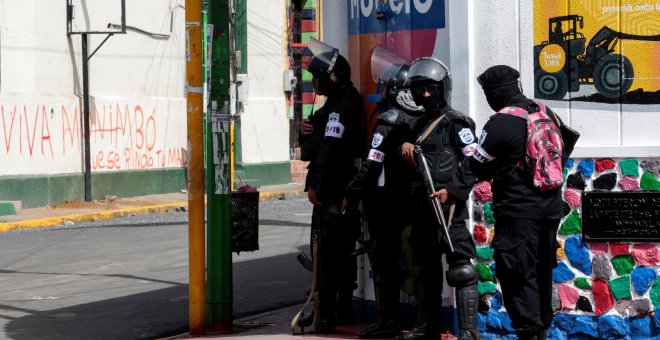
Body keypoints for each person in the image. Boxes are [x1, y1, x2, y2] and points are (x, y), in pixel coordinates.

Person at [469, 65, 563, 340]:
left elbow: (476, 165)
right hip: (550, 208)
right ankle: (540, 330)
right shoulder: (546, 112)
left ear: (493, 94)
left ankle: (529, 332)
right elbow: (562, 150)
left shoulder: (501, 122)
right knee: (541, 270)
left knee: (516, 273)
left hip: (518, 212)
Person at [343, 47, 424, 339]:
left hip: (386, 203)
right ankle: (422, 321)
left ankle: (386, 320)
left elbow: (372, 164)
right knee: (421, 261)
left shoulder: (388, 120)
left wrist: (352, 192)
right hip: (414, 200)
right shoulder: (422, 118)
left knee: (385, 263)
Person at [397, 57, 480, 340]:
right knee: (425, 270)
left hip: (449, 209)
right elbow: (400, 142)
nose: (425, 95)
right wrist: (405, 144)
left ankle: (469, 331)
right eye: (420, 90)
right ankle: (426, 327)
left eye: (430, 89)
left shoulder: (457, 123)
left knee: (462, 270)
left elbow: (474, 162)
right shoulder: (418, 124)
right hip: (422, 206)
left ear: (442, 88)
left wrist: (454, 191)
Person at [297, 38, 363, 331]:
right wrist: (303, 131)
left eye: (317, 77)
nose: (313, 83)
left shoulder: (341, 105)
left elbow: (329, 149)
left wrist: (317, 186)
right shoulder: (336, 103)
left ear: (331, 78)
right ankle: (336, 309)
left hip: (334, 189)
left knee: (329, 255)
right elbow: (312, 144)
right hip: (339, 187)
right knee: (337, 253)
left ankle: (328, 314)